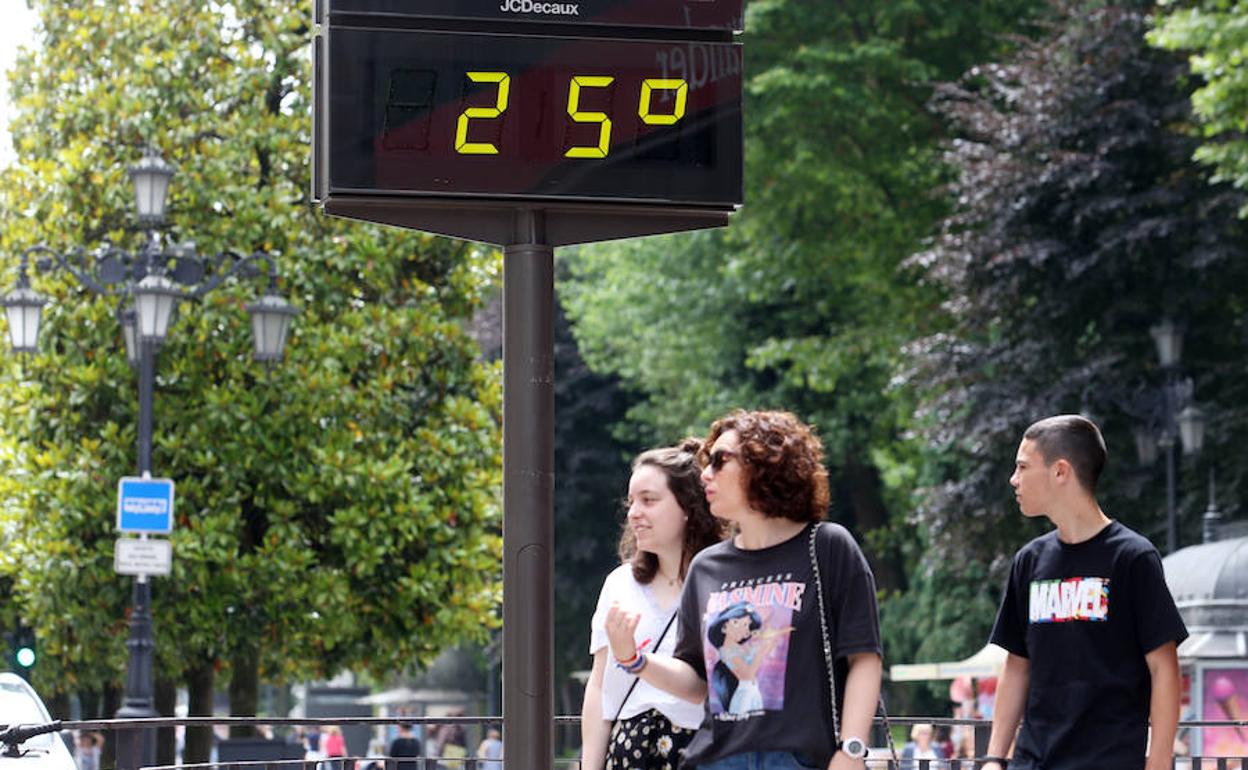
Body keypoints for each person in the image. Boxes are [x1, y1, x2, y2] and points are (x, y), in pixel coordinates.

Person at [605, 409, 884, 770]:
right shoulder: (706, 567)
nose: (705, 474)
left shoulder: (827, 546)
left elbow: (864, 656)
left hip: (801, 760)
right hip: (715, 760)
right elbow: (697, 681)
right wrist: (634, 660)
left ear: (765, 462)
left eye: (720, 460)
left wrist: (851, 751)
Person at [982, 415, 1188, 770]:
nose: (1013, 479)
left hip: (1109, 760)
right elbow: (1017, 666)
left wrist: (1158, 762)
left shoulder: (1133, 558)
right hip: (1034, 761)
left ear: (1060, 471)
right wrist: (994, 759)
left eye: (1022, 466)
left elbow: (1164, 668)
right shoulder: (1028, 561)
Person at [581, 439, 727, 770]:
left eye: (649, 500)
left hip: (703, 749)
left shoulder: (724, 583)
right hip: (628, 753)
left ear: (688, 507)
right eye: (632, 502)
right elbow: (600, 686)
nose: (634, 513)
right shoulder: (619, 583)